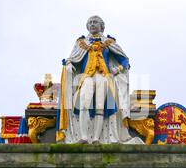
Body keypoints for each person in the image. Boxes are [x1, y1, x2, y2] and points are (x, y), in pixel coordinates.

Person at [56, 16, 142, 144]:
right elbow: (73, 59)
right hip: (87, 77)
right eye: (90, 22)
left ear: (102, 26)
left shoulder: (109, 42)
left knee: (100, 108)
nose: (92, 24)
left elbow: (124, 60)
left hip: (104, 77)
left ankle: (96, 138)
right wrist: (69, 65)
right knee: (84, 104)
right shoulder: (81, 43)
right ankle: (84, 137)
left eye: (95, 22)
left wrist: (118, 69)